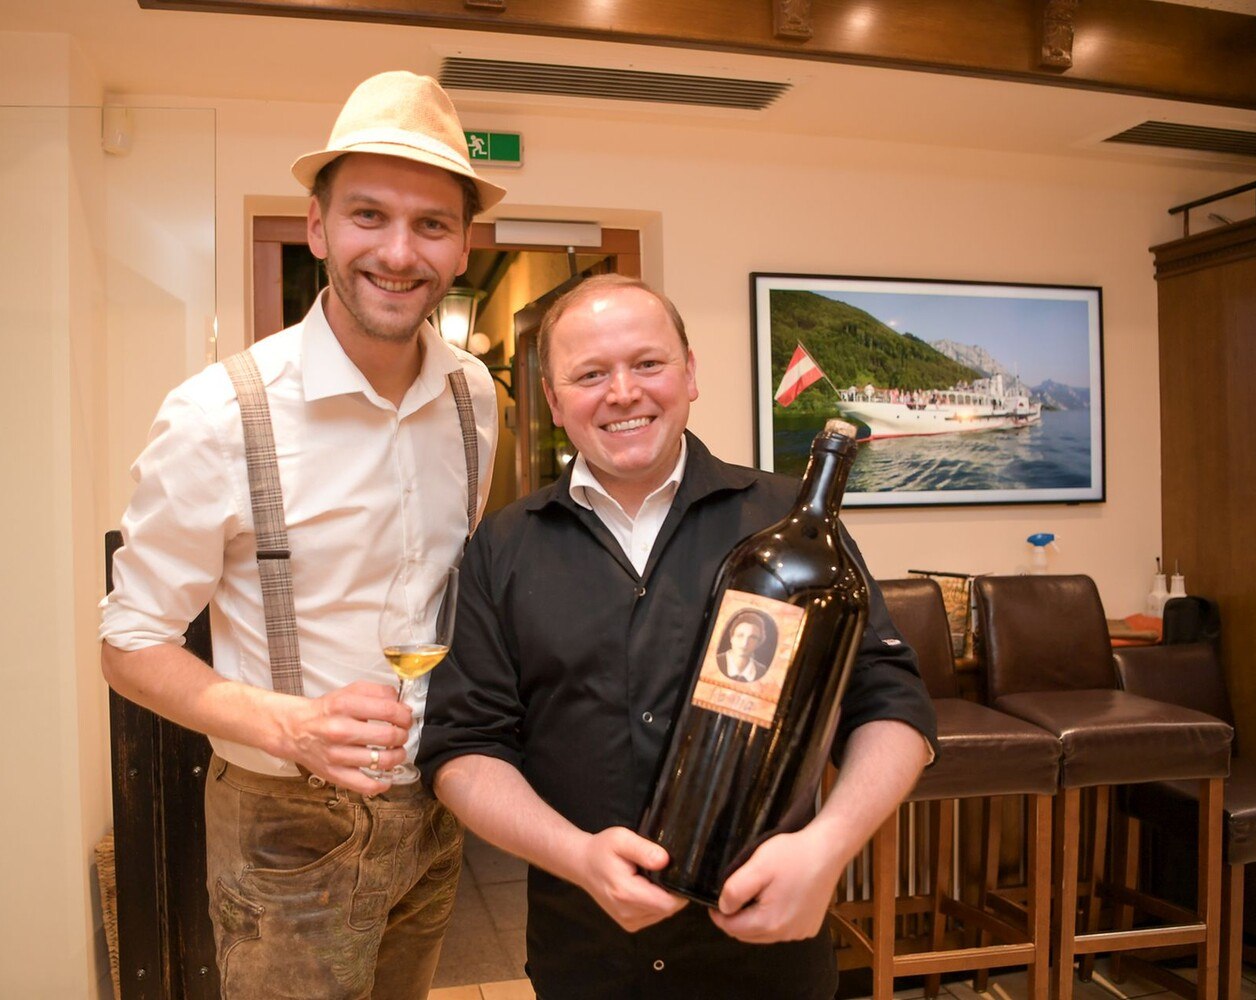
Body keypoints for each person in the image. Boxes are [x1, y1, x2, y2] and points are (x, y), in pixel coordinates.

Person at [99, 71, 505, 1000]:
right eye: (369, 215)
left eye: (432, 225)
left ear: (462, 247)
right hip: (285, 829)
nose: (399, 252)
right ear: (318, 227)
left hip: (436, 810)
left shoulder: (475, 396)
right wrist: (291, 726)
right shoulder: (217, 414)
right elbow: (128, 644)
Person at [421, 275, 937, 1000]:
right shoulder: (501, 548)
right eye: (591, 373)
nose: (623, 392)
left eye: (648, 364)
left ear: (690, 373)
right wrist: (577, 855)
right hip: (587, 960)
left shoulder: (789, 526)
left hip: (766, 958)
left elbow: (891, 704)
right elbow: (464, 749)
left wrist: (829, 848)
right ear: (554, 398)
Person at [715, 609, 773, 683]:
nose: (745, 643)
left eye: (752, 638)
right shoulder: (716, 661)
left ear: (758, 643)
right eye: (740, 636)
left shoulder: (762, 672)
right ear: (731, 638)